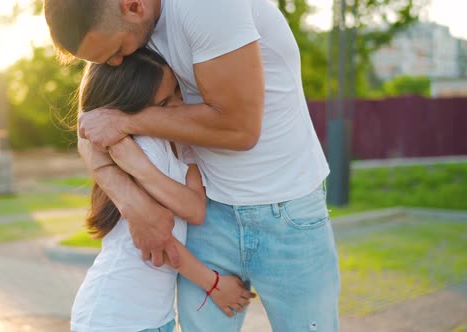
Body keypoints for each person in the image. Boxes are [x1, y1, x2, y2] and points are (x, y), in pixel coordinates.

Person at [44, 0, 340, 330]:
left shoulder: (204, 5)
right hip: (207, 215)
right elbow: (93, 123)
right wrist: (133, 204)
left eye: (116, 50)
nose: (116, 63)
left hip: (285, 211)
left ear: (133, 6)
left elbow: (240, 129)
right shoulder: (123, 28)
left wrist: (127, 120)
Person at [70, 48, 254, 332]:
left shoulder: (177, 147)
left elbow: (195, 210)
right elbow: (160, 241)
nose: (179, 106)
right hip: (114, 318)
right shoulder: (144, 145)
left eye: (178, 94)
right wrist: (214, 284)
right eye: (166, 102)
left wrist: (143, 169)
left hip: (155, 319)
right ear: (133, 106)